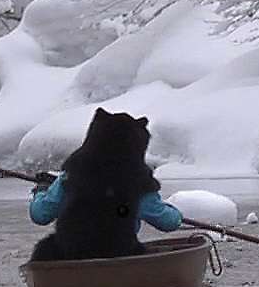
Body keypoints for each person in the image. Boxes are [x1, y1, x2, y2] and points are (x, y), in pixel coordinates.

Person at [28, 108, 184, 262]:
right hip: (120, 255)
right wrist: (177, 216)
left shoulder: (71, 175)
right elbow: (169, 222)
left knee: (45, 249)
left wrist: (42, 190)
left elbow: (40, 214)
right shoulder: (138, 182)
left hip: (71, 254)